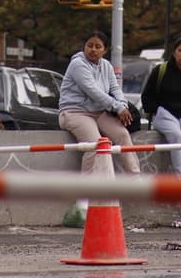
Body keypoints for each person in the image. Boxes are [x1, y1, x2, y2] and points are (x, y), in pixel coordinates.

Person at [57, 31, 141, 175]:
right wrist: (117, 107)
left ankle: (135, 179)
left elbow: (115, 88)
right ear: (84, 47)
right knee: (96, 144)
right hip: (74, 112)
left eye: (98, 46)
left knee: (122, 135)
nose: (93, 50)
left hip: (98, 112)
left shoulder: (106, 66)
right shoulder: (77, 64)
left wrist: (123, 105)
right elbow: (93, 91)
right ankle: (92, 189)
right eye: (89, 46)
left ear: (105, 50)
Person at [140, 36, 181, 178]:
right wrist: (155, 110)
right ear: (174, 53)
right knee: (176, 135)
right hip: (164, 114)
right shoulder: (161, 70)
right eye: (180, 51)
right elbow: (146, 96)